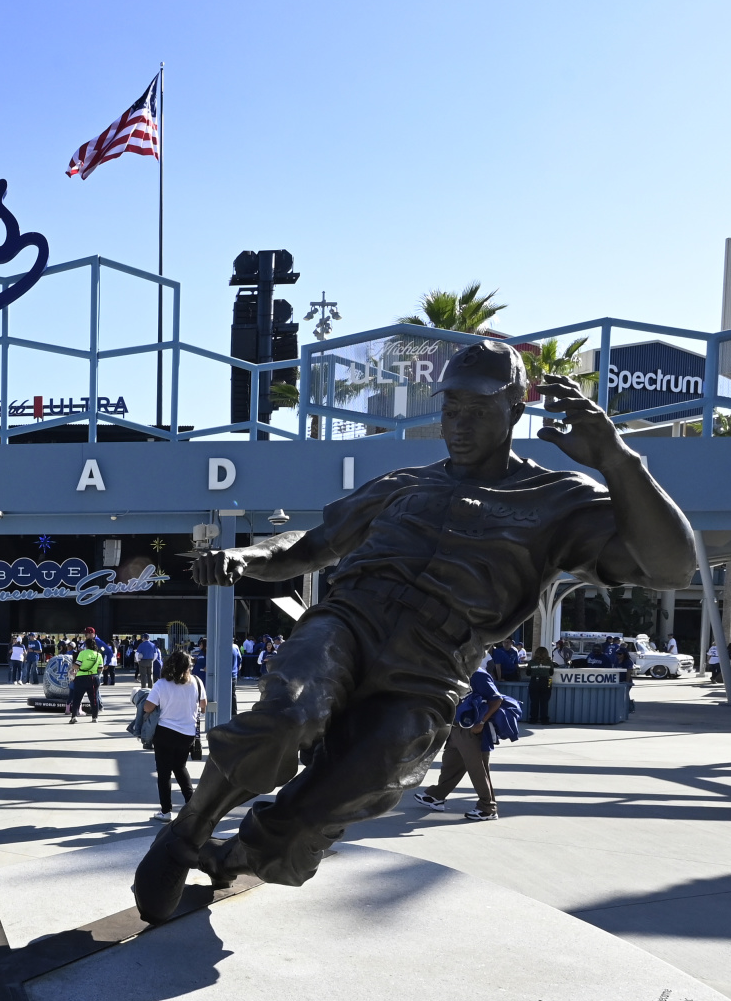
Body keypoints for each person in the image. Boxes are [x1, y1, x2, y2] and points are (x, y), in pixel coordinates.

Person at [134, 338, 696, 921]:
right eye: (451, 409)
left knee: (350, 790)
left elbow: (670, 566)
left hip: (429, 670)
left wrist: (617, 459)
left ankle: (236, 861)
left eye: (477, 411)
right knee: (289, 714)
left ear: (515, 410)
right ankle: (186, 835)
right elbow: (310, 546)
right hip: (350, 621)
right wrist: (246, 556)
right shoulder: (404, 483)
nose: (459, 424)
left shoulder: (557, 501)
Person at [414, 666, 517, 821]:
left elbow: (496, 700)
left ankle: (487, 808)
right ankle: (436, 796)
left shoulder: (478, 674)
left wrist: (481, 723)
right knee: (450, 764)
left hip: (472, 730)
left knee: (477, 769)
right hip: (456, 728)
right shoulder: (458, 672)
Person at [143, 647, 206, 822]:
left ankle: (166, 811)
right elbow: (203, 705)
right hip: (187, 733)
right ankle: (192, 807)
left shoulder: (162, 684)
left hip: (165, 732)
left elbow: (148, 707)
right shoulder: (197, 682)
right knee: (180, 767)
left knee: (164, 773)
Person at [67, 635, 105, 723]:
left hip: (81, 678)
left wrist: (73, 667)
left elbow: (76, 665)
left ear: (86, 645)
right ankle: (94, 717)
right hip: (93, 678)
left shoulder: (82, 653)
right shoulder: (98, 655)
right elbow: (100, 668)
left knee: (77, 698)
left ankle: (74, 717)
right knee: (94, 698)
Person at [524, 645, 555, 724]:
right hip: (548, 681)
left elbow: (528, 673)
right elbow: (551, 673)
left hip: (535, 681)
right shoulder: (549, 662)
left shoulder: (531, 662)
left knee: (534, 701)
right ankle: (544, 719)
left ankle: (533, 719)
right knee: (545, 701)